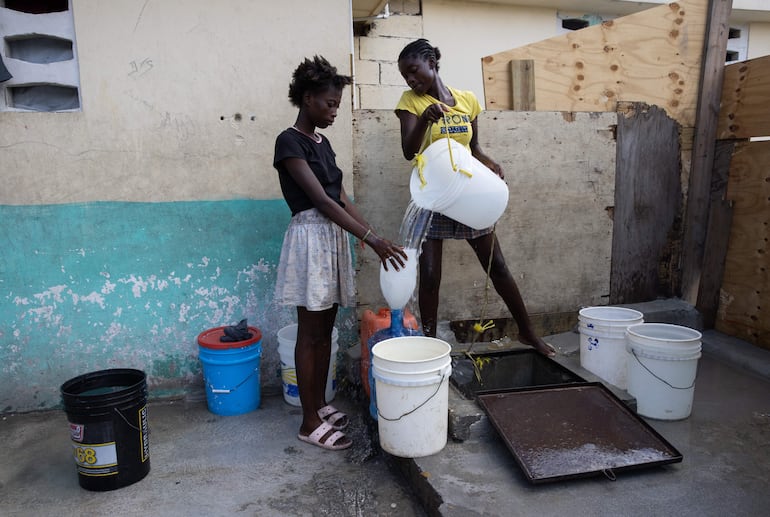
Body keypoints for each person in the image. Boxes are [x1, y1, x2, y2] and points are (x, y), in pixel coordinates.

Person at [274, 56, 407, 450]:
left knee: (325, 331)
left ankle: (318, 403)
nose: (334, 110)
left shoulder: (323, 143)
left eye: (337, 104)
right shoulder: (289, 142)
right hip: (310, 238)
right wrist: (372, 238)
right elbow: (319, 200)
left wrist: (373, 237)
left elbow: (341, 197)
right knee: (310, 332)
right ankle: (308, 420)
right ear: (308, 98)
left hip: (332, 237)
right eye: (329, 103)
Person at [394, 39, 555, 357]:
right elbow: (408, 151)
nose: (411, 80)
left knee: (497, 265)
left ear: (431, 63)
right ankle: (428, 345)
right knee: (429, 275)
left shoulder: (466, 100)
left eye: (414, 71)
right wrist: (425, 118)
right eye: (405, 76)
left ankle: (527, 332)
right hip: (435, 196)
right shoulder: (409, 103)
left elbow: (474, 148)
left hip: (467, 193)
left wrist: (491, 163)